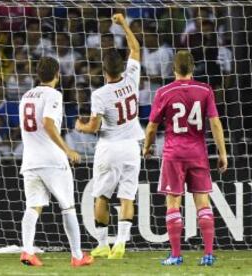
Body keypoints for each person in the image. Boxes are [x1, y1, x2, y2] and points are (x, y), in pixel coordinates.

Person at [143, 50, 227, 266]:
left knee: (173, 202)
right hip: (198, 152)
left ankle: (176, 255)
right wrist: (222, 153)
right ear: (193, 68)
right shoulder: (205, 90)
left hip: (173, 154)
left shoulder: (163, 92)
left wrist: (147, 147)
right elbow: (215, 123)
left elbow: (152, 127)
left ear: (173, 68)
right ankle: (208, 254)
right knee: (203, 202)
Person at [75, 13, 144, 259]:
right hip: (132, 147)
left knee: (101, 196)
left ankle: (103, 243)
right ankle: (122, 244)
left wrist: (81, 126)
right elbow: (135, 48)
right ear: (122, 67)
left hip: (110, 148)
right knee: (127, 195)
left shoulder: (100, 94)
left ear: (104, 70)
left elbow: (94, 127)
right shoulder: (132, 78)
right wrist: (124, 24)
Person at [19, 56, 93, 267]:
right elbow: (49, 124)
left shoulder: (26, 96)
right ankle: (77, 255)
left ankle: (27, 251)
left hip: (31, 160)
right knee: (68, 207)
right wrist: (68, 149)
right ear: (57, 75)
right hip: (52, 159)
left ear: (37, 74)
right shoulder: (54, 95)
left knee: (33, 206)